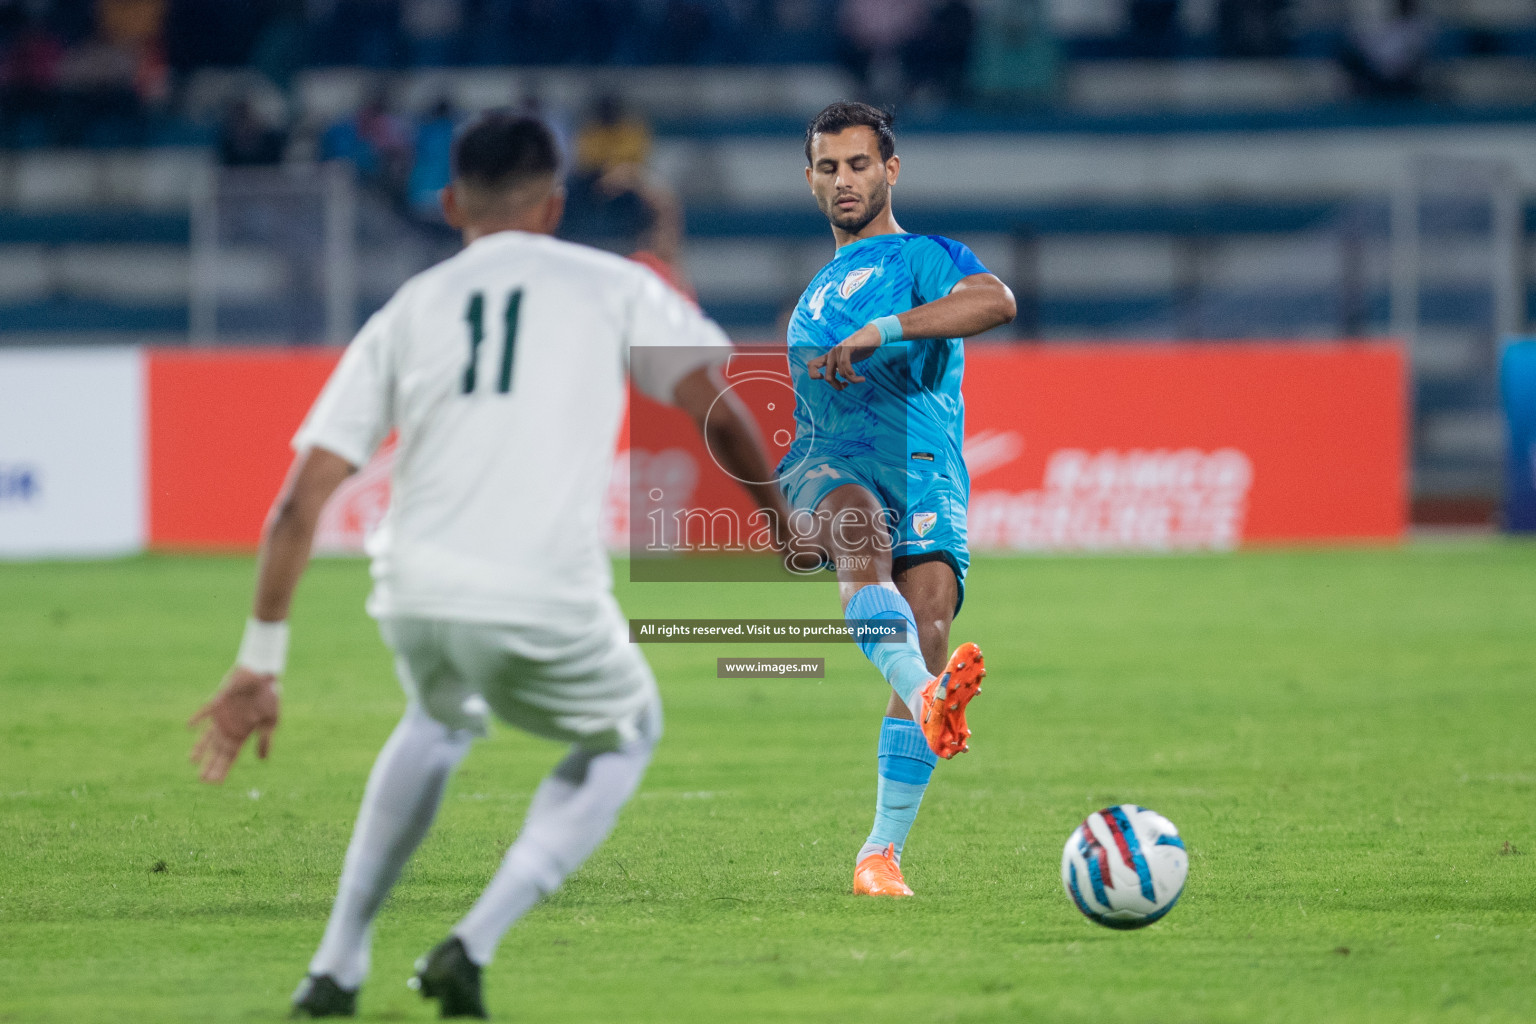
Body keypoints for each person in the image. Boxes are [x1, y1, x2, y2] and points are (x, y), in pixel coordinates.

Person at [187, 111, 794, 1019]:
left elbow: (297, 503)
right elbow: (719, 406)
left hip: (414, 595)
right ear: (553, 205)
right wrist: (782, 526)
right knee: (627, 733)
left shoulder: (408, 310)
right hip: (542, 596)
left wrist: (259, 662)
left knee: (435, 719)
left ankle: (337, 965)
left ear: (448, 202)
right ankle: (471, 943)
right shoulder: (614, 284)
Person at [781, 101, 1015, 898]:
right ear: (809, 179)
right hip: (832, 464)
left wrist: (886, 328)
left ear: (890, 169)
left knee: (931, 624)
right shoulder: (811, 297)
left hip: (926, 466)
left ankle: (879, 856)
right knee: (858, 534)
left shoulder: (923, 256)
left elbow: (995, 302)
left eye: (857, 164)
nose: (843, 181)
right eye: (828, 167)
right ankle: (927, 697)